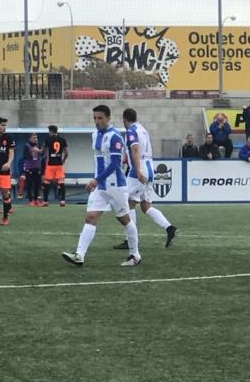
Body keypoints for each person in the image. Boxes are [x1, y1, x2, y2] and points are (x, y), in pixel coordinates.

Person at [62, 105, 141, 267]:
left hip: (115, 186)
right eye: (95, 118)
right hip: (100, 187)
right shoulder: (95, 135)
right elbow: (99, 162)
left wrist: (96, 180)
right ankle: (79, 255)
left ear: (108, 118)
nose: (97, 121)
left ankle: (135, 255)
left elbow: (114, 164)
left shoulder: (115, 137)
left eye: (100, 118)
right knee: (90, 217)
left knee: (124, 220)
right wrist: (97, 180)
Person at [112, 109, 177, 251]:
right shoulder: (142, 129)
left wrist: (137, 170)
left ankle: (130, 239)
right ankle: (169, 227)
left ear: (124, 119)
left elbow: (135, 149)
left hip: (139, 169)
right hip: (149, 167)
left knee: (127, 203)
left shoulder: (130, 131)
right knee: (145, 206)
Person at [41, 125, 69, 207]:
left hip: (50, 164)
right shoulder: (62, 139)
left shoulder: (47, 139)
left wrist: (37, 150)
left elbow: (43, 150)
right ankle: (63, 201)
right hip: (59, 164)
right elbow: (67, 153)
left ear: (50, 131)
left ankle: (45, 201)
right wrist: (63, 160)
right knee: (61, 182)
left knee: (46, 182)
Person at [23, 133, 44, 206]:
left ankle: (36, 199)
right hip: (29, 167)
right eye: (33, 138)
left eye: (36, 138)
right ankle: (30, 200)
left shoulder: (38, 146)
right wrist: (33, 151)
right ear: (30, 139)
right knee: (29, 184)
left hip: (37, 167)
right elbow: (25, 156)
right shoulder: (27, 146)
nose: (35, 139)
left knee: (37, 184)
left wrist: (40, 151)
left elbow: (41, 154)